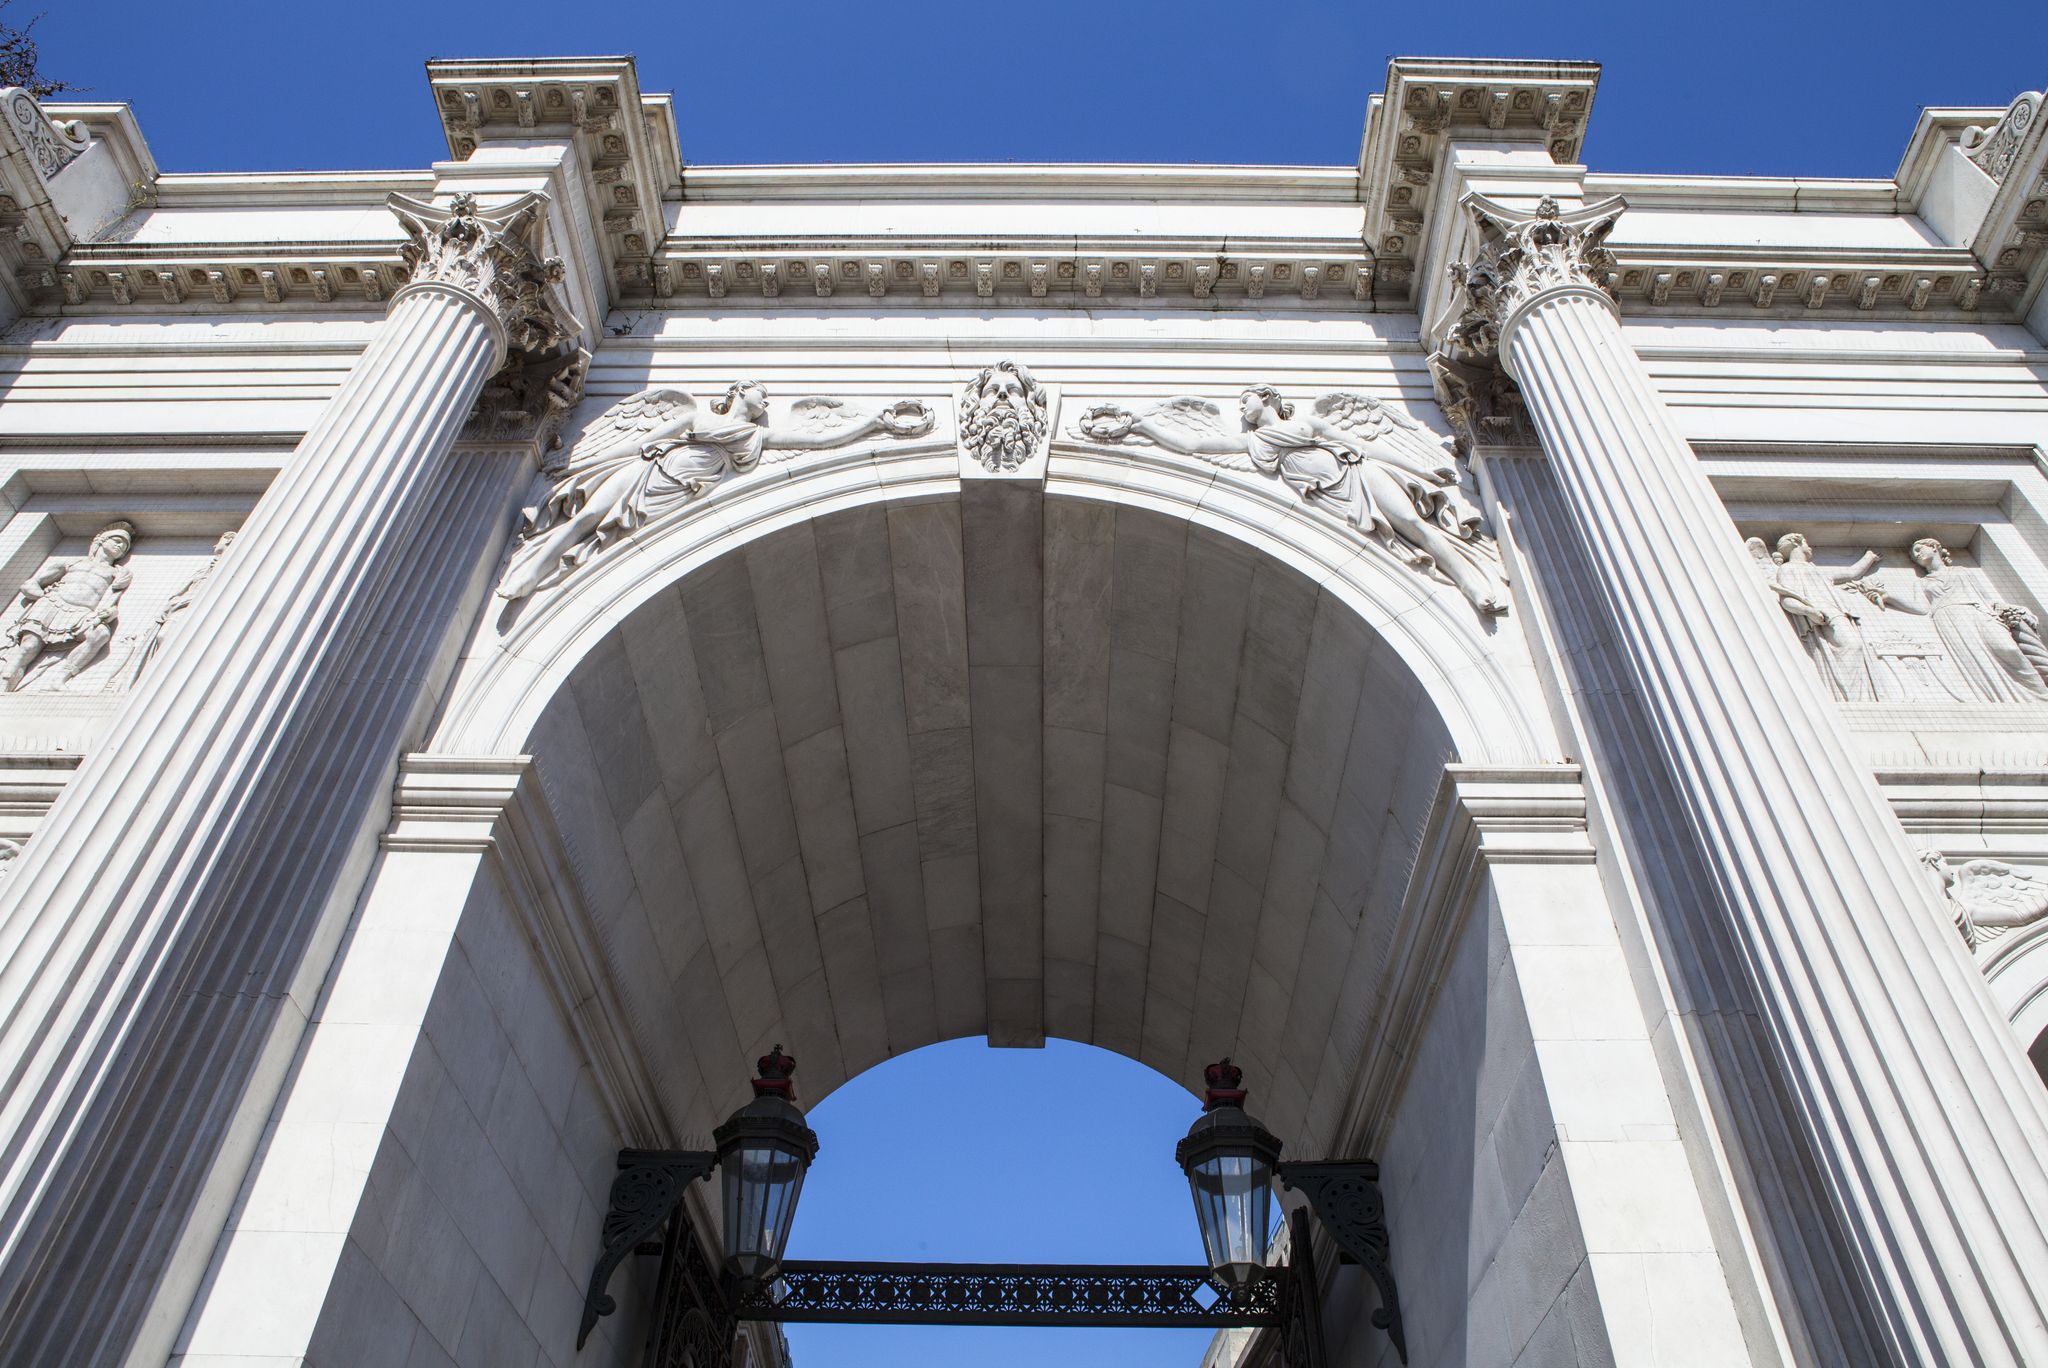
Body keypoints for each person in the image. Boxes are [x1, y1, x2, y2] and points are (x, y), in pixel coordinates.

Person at [2, 521, 134, 692]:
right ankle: (4, 684)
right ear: (101, 540)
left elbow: (112, 601)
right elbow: (30, 584)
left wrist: (109, 612)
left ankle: (60, 679)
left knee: (101, 633)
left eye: (124, 546)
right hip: (52, 605)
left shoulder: (117, 573)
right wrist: (43, 598)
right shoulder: (72, 563)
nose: (120, 546)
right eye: (117, 541)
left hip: (83, 614)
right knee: (29, 647)